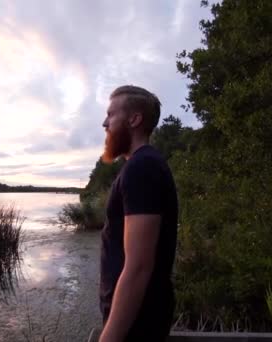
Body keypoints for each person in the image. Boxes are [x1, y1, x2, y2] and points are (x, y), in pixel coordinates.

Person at [98, 85, 179, 341]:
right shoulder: (142, 165)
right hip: (140, 321)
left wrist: (109, 337)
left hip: (137, 327)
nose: (104, 123)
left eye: (111, 115)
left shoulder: (142, 168)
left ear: (134, 119)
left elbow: (139, 266)